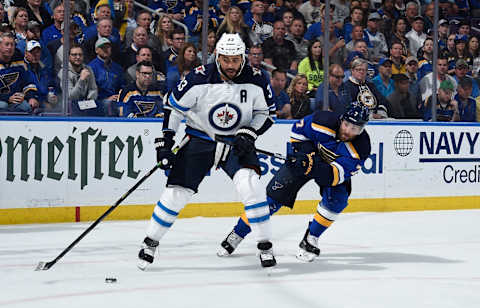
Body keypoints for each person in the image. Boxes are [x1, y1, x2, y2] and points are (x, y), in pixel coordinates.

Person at [137, 33, 277, 270]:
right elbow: (174, 108)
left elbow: (267, 114)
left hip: (236, 143)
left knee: (251, 186)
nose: (231, 65)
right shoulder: (198, 77)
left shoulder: (257, 78)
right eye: (226, 59)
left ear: (242, 57)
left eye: (235, 59)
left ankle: (265, 246)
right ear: (218, 56)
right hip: (200, 140)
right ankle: (150, 242)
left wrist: (250, 133)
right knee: (177, 192)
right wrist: (166, 141)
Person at [217, 102, 371, 263]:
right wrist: (306, 154)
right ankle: (237, 233)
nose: (348, 131)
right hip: (303, 162)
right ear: (342, 119)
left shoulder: (361, 147)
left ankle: (311, 238)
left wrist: (313, 166)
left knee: (337, 200)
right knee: (271, 200)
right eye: (347, 125)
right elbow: (297, 132)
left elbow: (335, 176)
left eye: (355, 129)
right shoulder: (322, 120)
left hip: (328, 170)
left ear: (362, 129)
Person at [0, 33, 38, 113]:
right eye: (6, 44)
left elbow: (28, 82)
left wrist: (31, 97)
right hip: (2, 100)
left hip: (16, 100)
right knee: (3, 105)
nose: (10, 47)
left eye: (12, 45)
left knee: (26, 107)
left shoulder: (19, 60)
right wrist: (7, 98)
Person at [88, 37, 125, 116]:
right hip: (97, 103)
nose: (105, 49)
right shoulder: (91, 67)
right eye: (102, 47)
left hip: (115, 102)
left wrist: (119, 96)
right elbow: (90, 91)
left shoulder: (117, 68)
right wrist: (106, 99)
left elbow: (122, 86)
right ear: (96, 50)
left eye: (108, 47)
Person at [58, 44, 99, 116]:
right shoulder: (64, 72)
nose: (78, 57)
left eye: (80, 55)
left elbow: (93, 89)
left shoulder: (88, 69)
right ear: (69, 57)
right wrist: (81, 80)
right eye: (74, 55)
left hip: (87, 105)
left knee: (106, 104)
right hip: (69, 108)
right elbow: (71, 97)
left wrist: (89, 102)